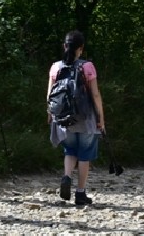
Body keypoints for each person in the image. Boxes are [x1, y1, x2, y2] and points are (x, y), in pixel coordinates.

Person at [48, 30, 106, 207]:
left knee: (70, 150)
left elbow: (50, 95)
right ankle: (80, 193)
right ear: (81, 48)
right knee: (84, 154)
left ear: (64, 46)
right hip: (85, 118)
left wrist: (50, 114)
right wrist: (101, 118)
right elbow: (95, 94)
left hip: (63, 118)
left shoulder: (56, 67)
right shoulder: (87, 67)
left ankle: (66, 176)